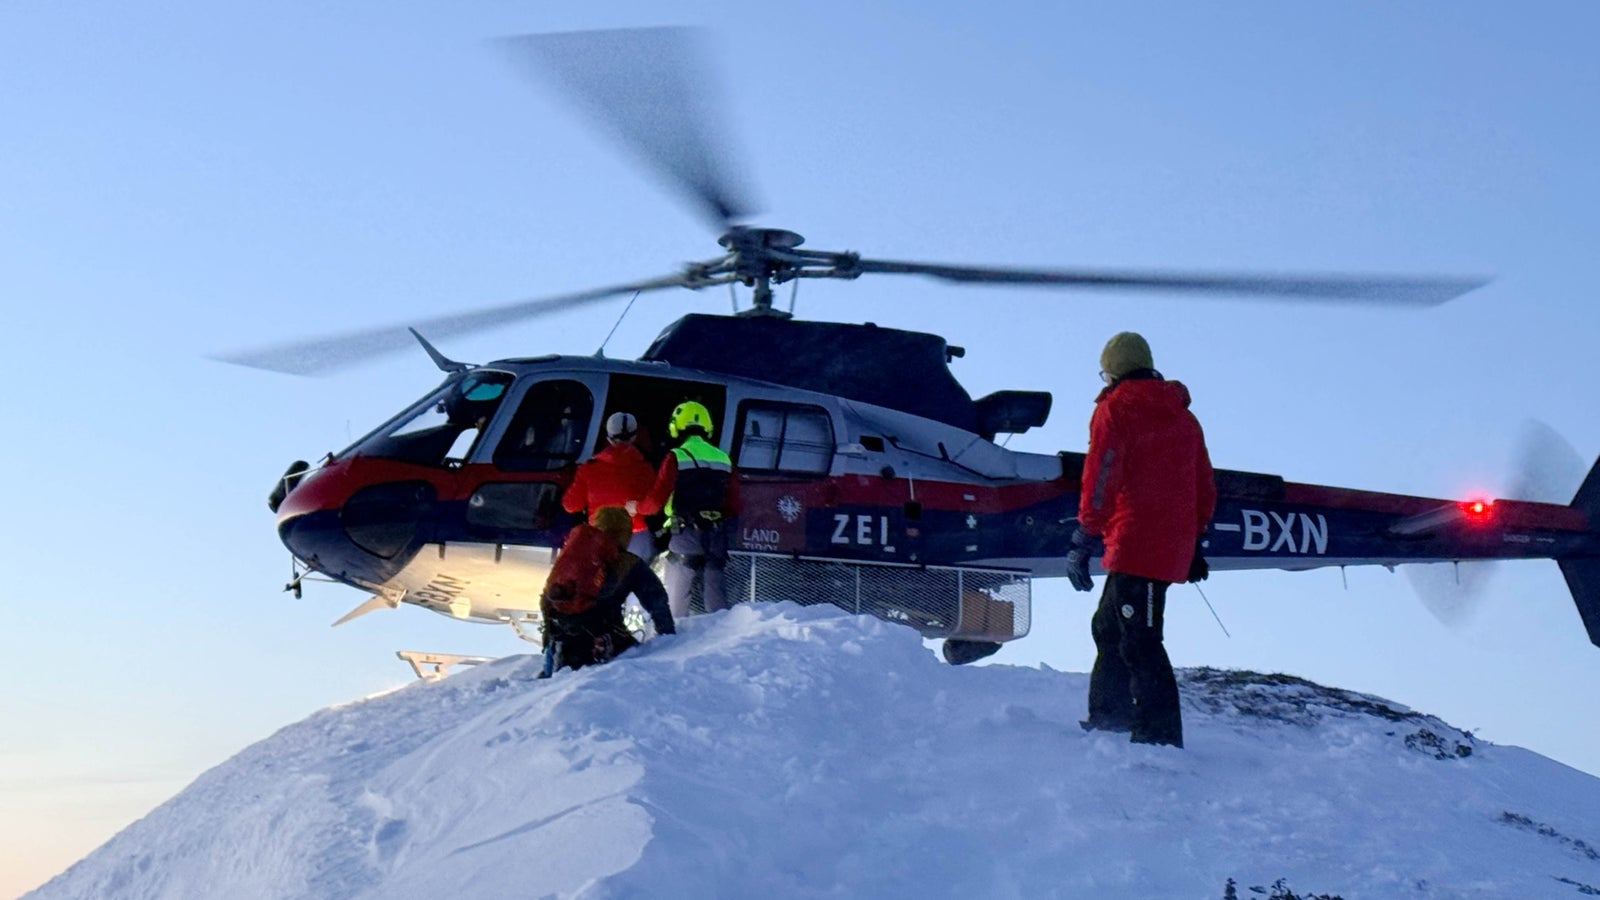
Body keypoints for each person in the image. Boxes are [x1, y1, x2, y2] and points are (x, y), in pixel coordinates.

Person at [1066, 331, 1216, 748]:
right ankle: (1110, 717)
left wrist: (1084, 535)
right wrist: (1195, 540)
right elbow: (1203, 484)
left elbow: (1100, 478)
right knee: (1109, 627)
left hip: (1137, 542)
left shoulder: (1116, 409)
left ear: (1113, 371)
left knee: (1140, 638)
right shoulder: (1184, 417)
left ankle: (1159, 736)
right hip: (1162, 544)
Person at [540, 505, 675, 677]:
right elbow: (656, 598)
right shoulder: (628, 563)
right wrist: (668, 633)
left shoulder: (571, 555)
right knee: (633, 660)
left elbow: (547, 598)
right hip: (602, 635)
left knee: (556, 680)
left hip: (562, 633)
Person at [659, 400, 741, 620]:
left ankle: (672, 644)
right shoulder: (724, 458)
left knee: (675, 602)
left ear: (677, 426)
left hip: (684, 538)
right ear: (707, 426)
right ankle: (723, 643)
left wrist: (636, 507)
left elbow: (656, 498)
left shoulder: (675, 456)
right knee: (716, 602)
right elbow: (734, 505)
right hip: (715, 537)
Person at [562, 411, 673, 561]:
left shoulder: (588, 468)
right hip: (637, 536)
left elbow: (570, 505)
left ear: (608, 437)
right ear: (634, 437)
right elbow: (654, 503)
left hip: (599, 535)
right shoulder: (646, 468)